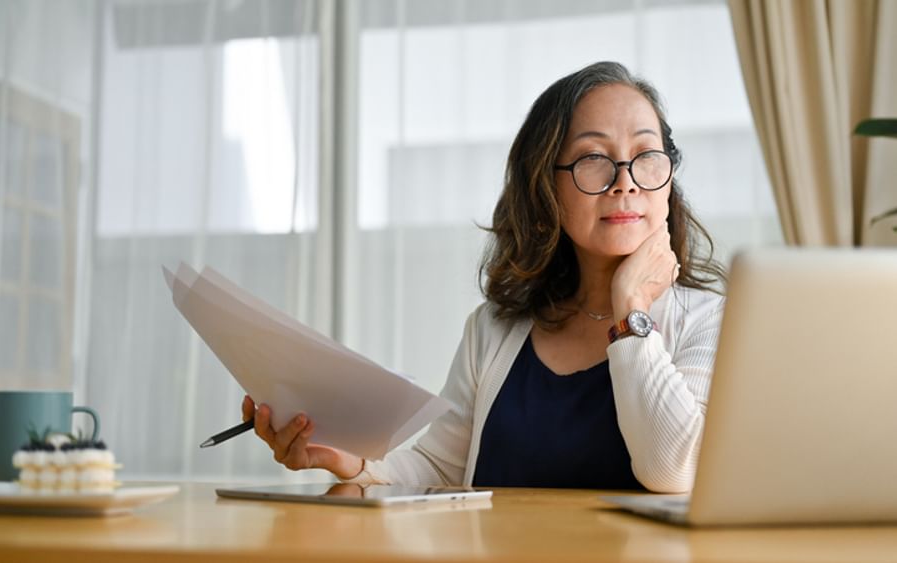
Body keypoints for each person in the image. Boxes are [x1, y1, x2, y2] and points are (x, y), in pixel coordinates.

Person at [241, 61, 726, 493]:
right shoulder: (492, 329)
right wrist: (353, 463)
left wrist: (631, 311)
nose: (625, 179)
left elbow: (673, 471)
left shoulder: (710, 320)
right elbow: (439, 467)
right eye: (593, 159)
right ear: (546, 187)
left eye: (646, 155)